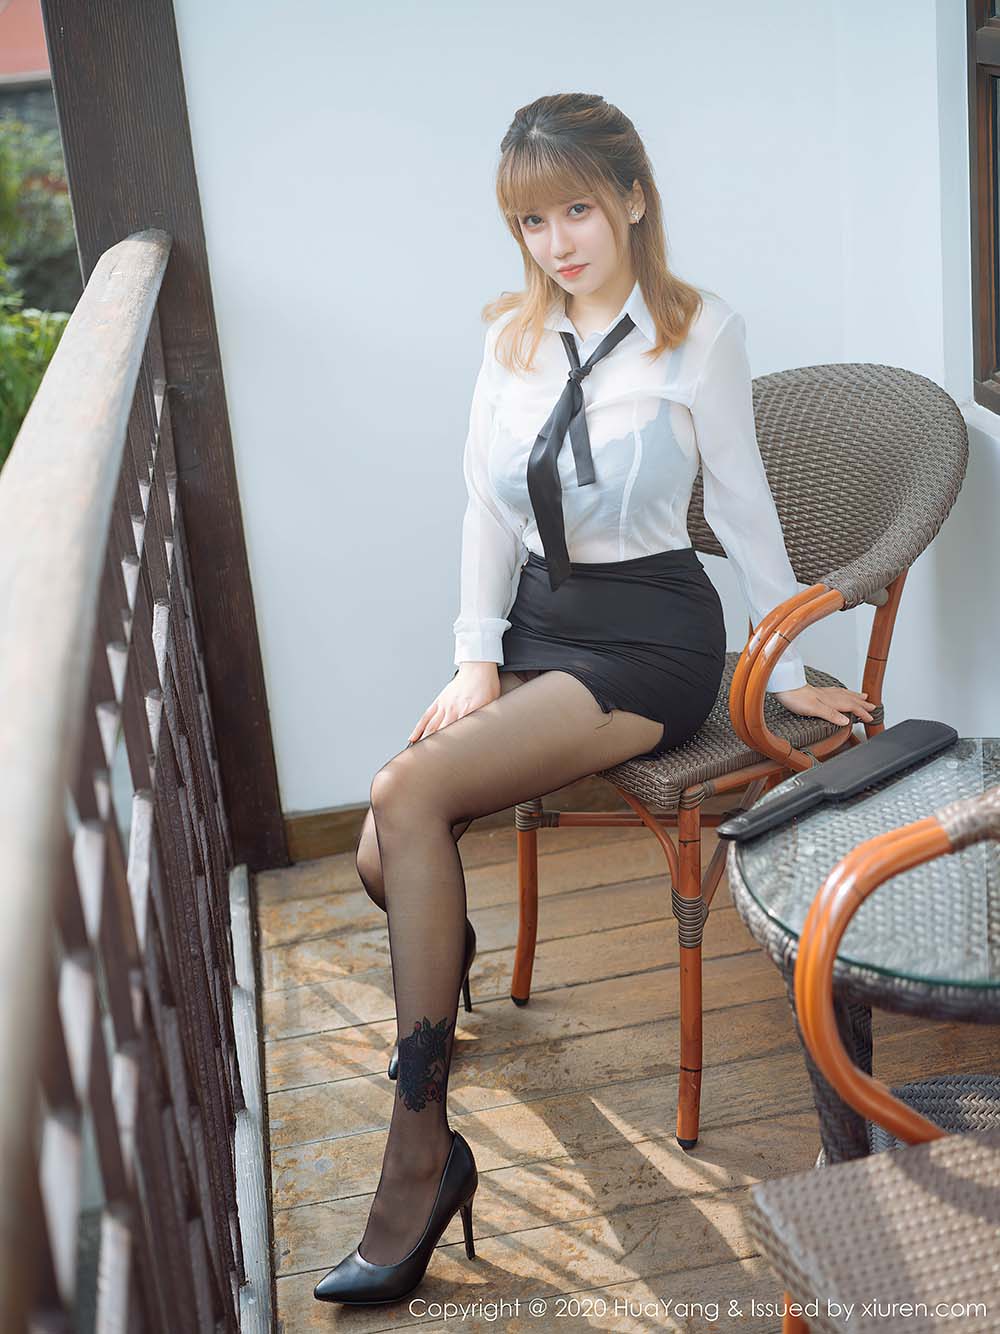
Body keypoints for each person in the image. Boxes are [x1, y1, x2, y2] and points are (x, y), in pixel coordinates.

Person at [314, 91, 874, 1306]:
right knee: (379, 850)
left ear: (629, 196)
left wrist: (783, 668)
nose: (556, 241)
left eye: (574, 209)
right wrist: (474, 656)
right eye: (530, 220)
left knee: (405, 795)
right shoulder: (508, 336)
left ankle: (418, 1154)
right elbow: (483, 506)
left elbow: (743, 506)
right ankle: (440, 950)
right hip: (534, 619)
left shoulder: (699, 332)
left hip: (647, 637)